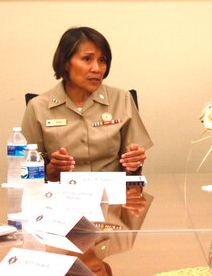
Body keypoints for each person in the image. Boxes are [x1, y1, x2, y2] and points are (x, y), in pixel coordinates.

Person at [22, 27, 152, 181]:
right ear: (65, 63)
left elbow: (132, 166)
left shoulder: (122, 99)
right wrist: (51, 171)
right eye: (87, 59)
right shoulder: (38, 107)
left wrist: (133, 163)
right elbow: (26, 171)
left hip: (113, 196)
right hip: (62, 196)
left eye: (102, 60)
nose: (97, 69)